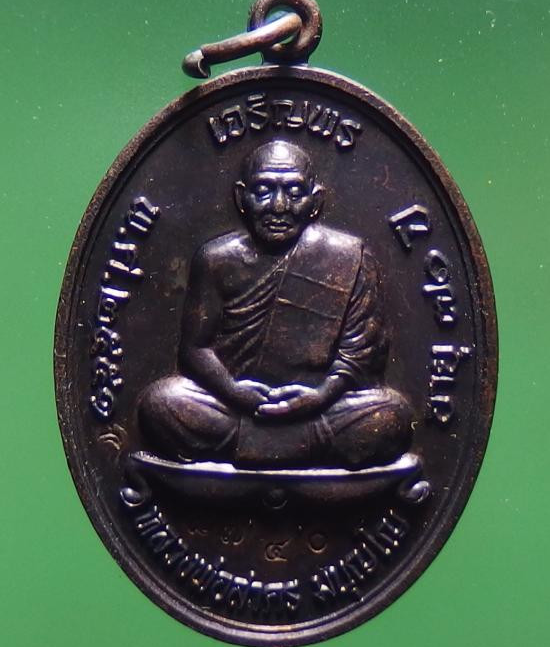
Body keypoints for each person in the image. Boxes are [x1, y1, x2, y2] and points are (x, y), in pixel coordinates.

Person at [138, 140, 413, 468]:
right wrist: (234, 392)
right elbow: (195, 349)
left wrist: (321, 395)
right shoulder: (216, 259)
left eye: (294, 192)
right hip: (235, 407)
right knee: (161, 402)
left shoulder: (350, 257)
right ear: (241, 198)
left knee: (391, 414)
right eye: (263, 190)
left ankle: (252, 448)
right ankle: (297, 452)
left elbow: (362, 355)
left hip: (320, 409)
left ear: (315, 201)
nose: (279, 206)